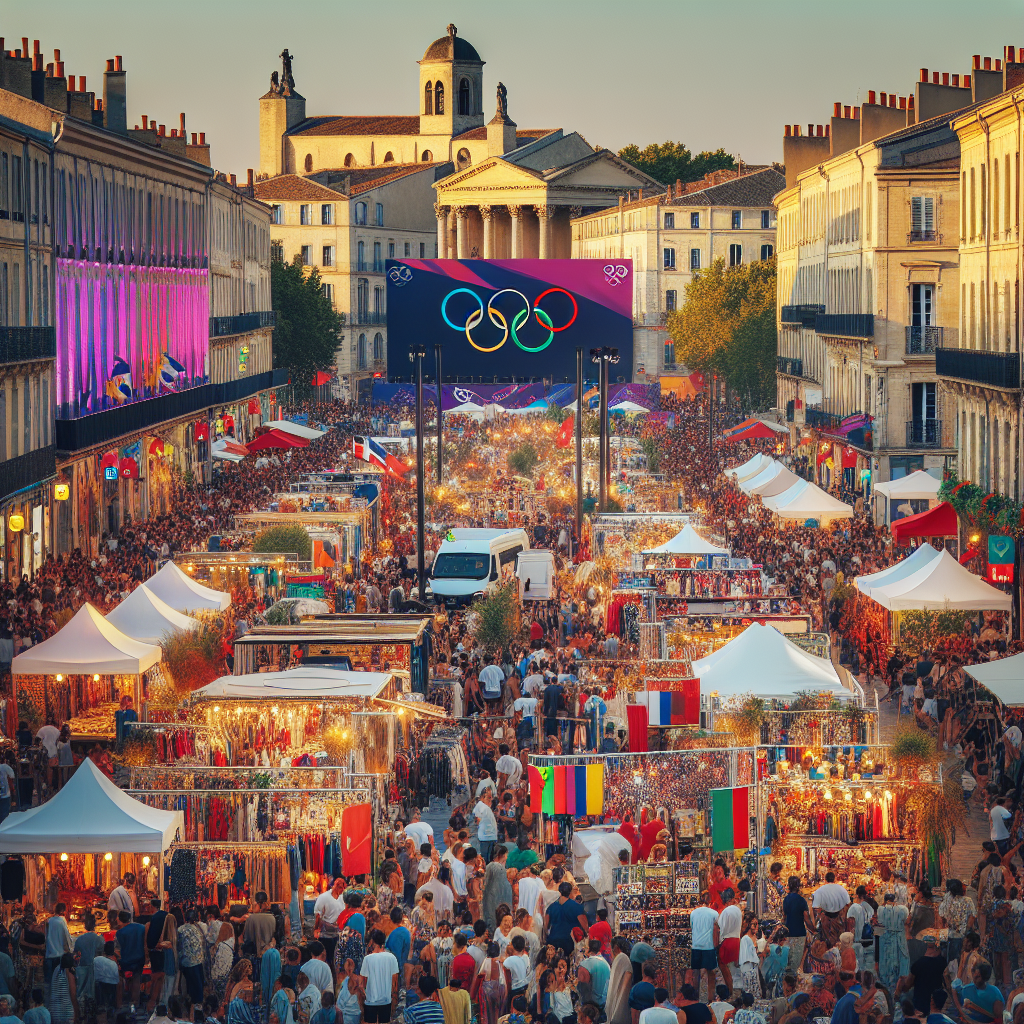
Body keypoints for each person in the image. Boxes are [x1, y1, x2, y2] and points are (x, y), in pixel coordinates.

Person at [896, 936, 946, 1016]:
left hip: (920, 1007)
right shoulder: (942, 961)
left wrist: (901, 983)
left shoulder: (918, 964)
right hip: (937, 1004)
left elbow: (907, 986)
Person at [358, 929, 399, 1024]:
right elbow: (395, 983)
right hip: (386, 1001)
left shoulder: (367, 959)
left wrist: (365, 995)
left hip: (370, 1001)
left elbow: (361, 984)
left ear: (372, 941)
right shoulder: (392, 958)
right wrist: (394, 1000)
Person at [874, 892, 909, 993]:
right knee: (896, 963)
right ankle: (895, 991)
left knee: (885, 964)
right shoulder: (902, 910)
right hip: (898, 940)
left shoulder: (880, 910)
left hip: (884, 939)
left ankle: (886, 990)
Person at [544, 883, 588, 960]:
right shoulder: (577, 907)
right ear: (570, 892)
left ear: (559, 892)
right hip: (569, 942)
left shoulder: (551, 907)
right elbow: (585, 926)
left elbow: (545, 927)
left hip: (553, 940)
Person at [688, 894, 719, 996]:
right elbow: (716, 930)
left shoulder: (693, 913)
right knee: (711, 972)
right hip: (708, 946)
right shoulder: (714, 914)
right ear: (710, 902)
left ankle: (695, 995)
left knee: (696, 972)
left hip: (696, 945)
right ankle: (710, 996)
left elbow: (692, 927)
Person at [471, 941, 508, 1024]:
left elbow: (480, 976)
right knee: (496, 1014)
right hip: (499, 991)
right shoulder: (499, 963)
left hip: (487, 992)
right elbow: (503, 980)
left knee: (487, 1015)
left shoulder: (486, 961)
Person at [810, 872, 849, 949]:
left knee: (826, 942)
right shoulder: (841, 889)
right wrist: (843, 914)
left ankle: (827, 957)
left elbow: (816, 908)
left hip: (826, 919)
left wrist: (821, 915)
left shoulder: (819, 891)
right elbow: (848, 904)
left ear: (825, 879)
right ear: (835, 879)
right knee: (838, 941)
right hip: (838, 918)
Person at [578, 939, 610, 1013]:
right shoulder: (606, 964)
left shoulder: (585, 964)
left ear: (589, 949)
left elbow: (582, 988)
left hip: (590, 1007)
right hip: (604, 1005)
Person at [606, 937, 633, 1024]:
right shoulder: (624, 959)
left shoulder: (621, 958)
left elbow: (619, 987)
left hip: (619, 1010)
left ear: (616, 947)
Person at [48, 953, 77, 1024]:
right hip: (67, 1011)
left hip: (54, 1011)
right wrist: (77, 1011)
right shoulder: (69, 971)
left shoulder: (56, 970)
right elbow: (73, 992)